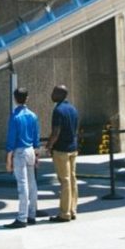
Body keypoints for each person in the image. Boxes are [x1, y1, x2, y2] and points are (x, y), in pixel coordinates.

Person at [4, 87, 40, 229]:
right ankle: (32, 214)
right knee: (32, 183)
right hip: (31, 150)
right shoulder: (33, 115)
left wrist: (8, 159)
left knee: (22, 184)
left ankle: (22, 217)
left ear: (15, 98)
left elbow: (11, 139)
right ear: (27, 98)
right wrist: (37, 155)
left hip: (19, 152)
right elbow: (36, 136)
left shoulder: (15, 116)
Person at [46, 84, 79, 222]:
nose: (51, 94)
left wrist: (49, 145)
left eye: (54, 92)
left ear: (60, 94)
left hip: (61, 150)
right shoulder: (73, 109)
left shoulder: (58, 110)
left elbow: (56, 132)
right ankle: (72, 210)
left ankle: (64, 213)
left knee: (64, 181)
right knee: (72, 179)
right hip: (73, 148)